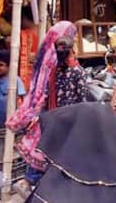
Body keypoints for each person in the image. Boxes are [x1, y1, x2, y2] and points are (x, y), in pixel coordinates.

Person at [8, 22, 89, 186]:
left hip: (52, 114)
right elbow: (82, 96)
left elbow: (45, 91)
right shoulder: (76, 71)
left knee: (47, 146)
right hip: (70, 117)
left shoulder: (52, 67)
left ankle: (32, 179)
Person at [0, 49, 27, 126]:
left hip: (13, 119)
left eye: (0, 65)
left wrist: (23, 117)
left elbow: (24, 100)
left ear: (8, 66)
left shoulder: (15, 79)